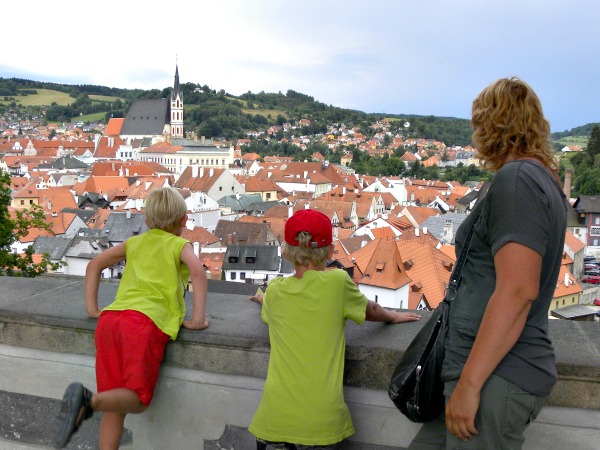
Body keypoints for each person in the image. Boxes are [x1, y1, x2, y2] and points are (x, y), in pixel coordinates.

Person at [410, 77, 569, 450]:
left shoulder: (518, 180)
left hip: (494, 377)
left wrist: (469, 385)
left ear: (491, 124)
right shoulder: (541, 179)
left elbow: (517, 290)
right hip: (482, 370)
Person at [248, 208, 422, 449]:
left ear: (286, 252)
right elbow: (369, 310)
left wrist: (262, 299)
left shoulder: (276, 290)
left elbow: (271, 307)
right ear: (329, 251)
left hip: (273, 421)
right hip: (321, 422)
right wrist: (393, 316)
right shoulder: (337, 282)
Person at [52, 187, 210, 449]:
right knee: (138, 400)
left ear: (147, 220)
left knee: (115, 406)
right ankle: (88, 402)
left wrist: (93, 310)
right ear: (184, 219)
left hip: (111, 319)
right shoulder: (179, 244)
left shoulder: (135, 242)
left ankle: (94, 404)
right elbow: (198, 273)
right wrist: (197, 320)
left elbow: (94, 266)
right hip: (143, 325)